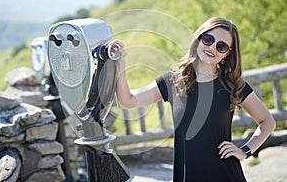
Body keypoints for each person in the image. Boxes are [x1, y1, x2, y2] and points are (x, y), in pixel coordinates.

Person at [106, 17, 276, 182]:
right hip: (188, 175)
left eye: (222, 46)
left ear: (227, 54)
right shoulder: (172, 82)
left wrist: (245, 151)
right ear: (199, 39)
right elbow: (126, 100)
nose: (212, 48)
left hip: (225, 174)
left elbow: (267, 121)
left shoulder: (232, 85)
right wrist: (120, 63)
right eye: (208, 39)